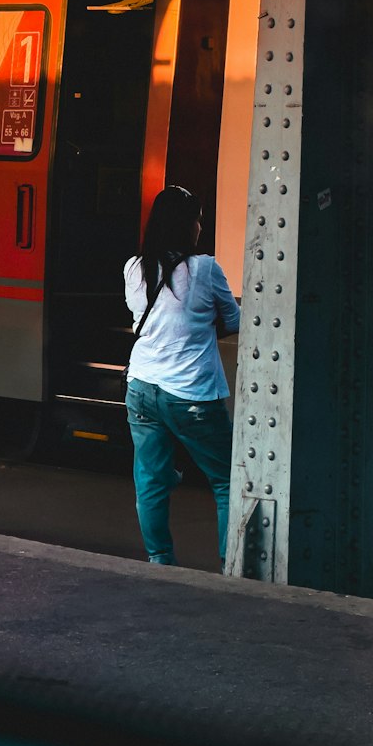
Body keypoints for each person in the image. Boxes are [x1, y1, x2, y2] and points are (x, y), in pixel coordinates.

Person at [123, 185, 240, 567]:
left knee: (151, 481)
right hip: (190, 394)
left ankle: (160, 562)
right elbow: (236, 320)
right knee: (226, 481)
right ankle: (229, 567)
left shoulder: (133, 267)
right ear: (186, 225)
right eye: (198, 219)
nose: (200, 227)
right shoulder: (205, 268)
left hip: (141, 387)